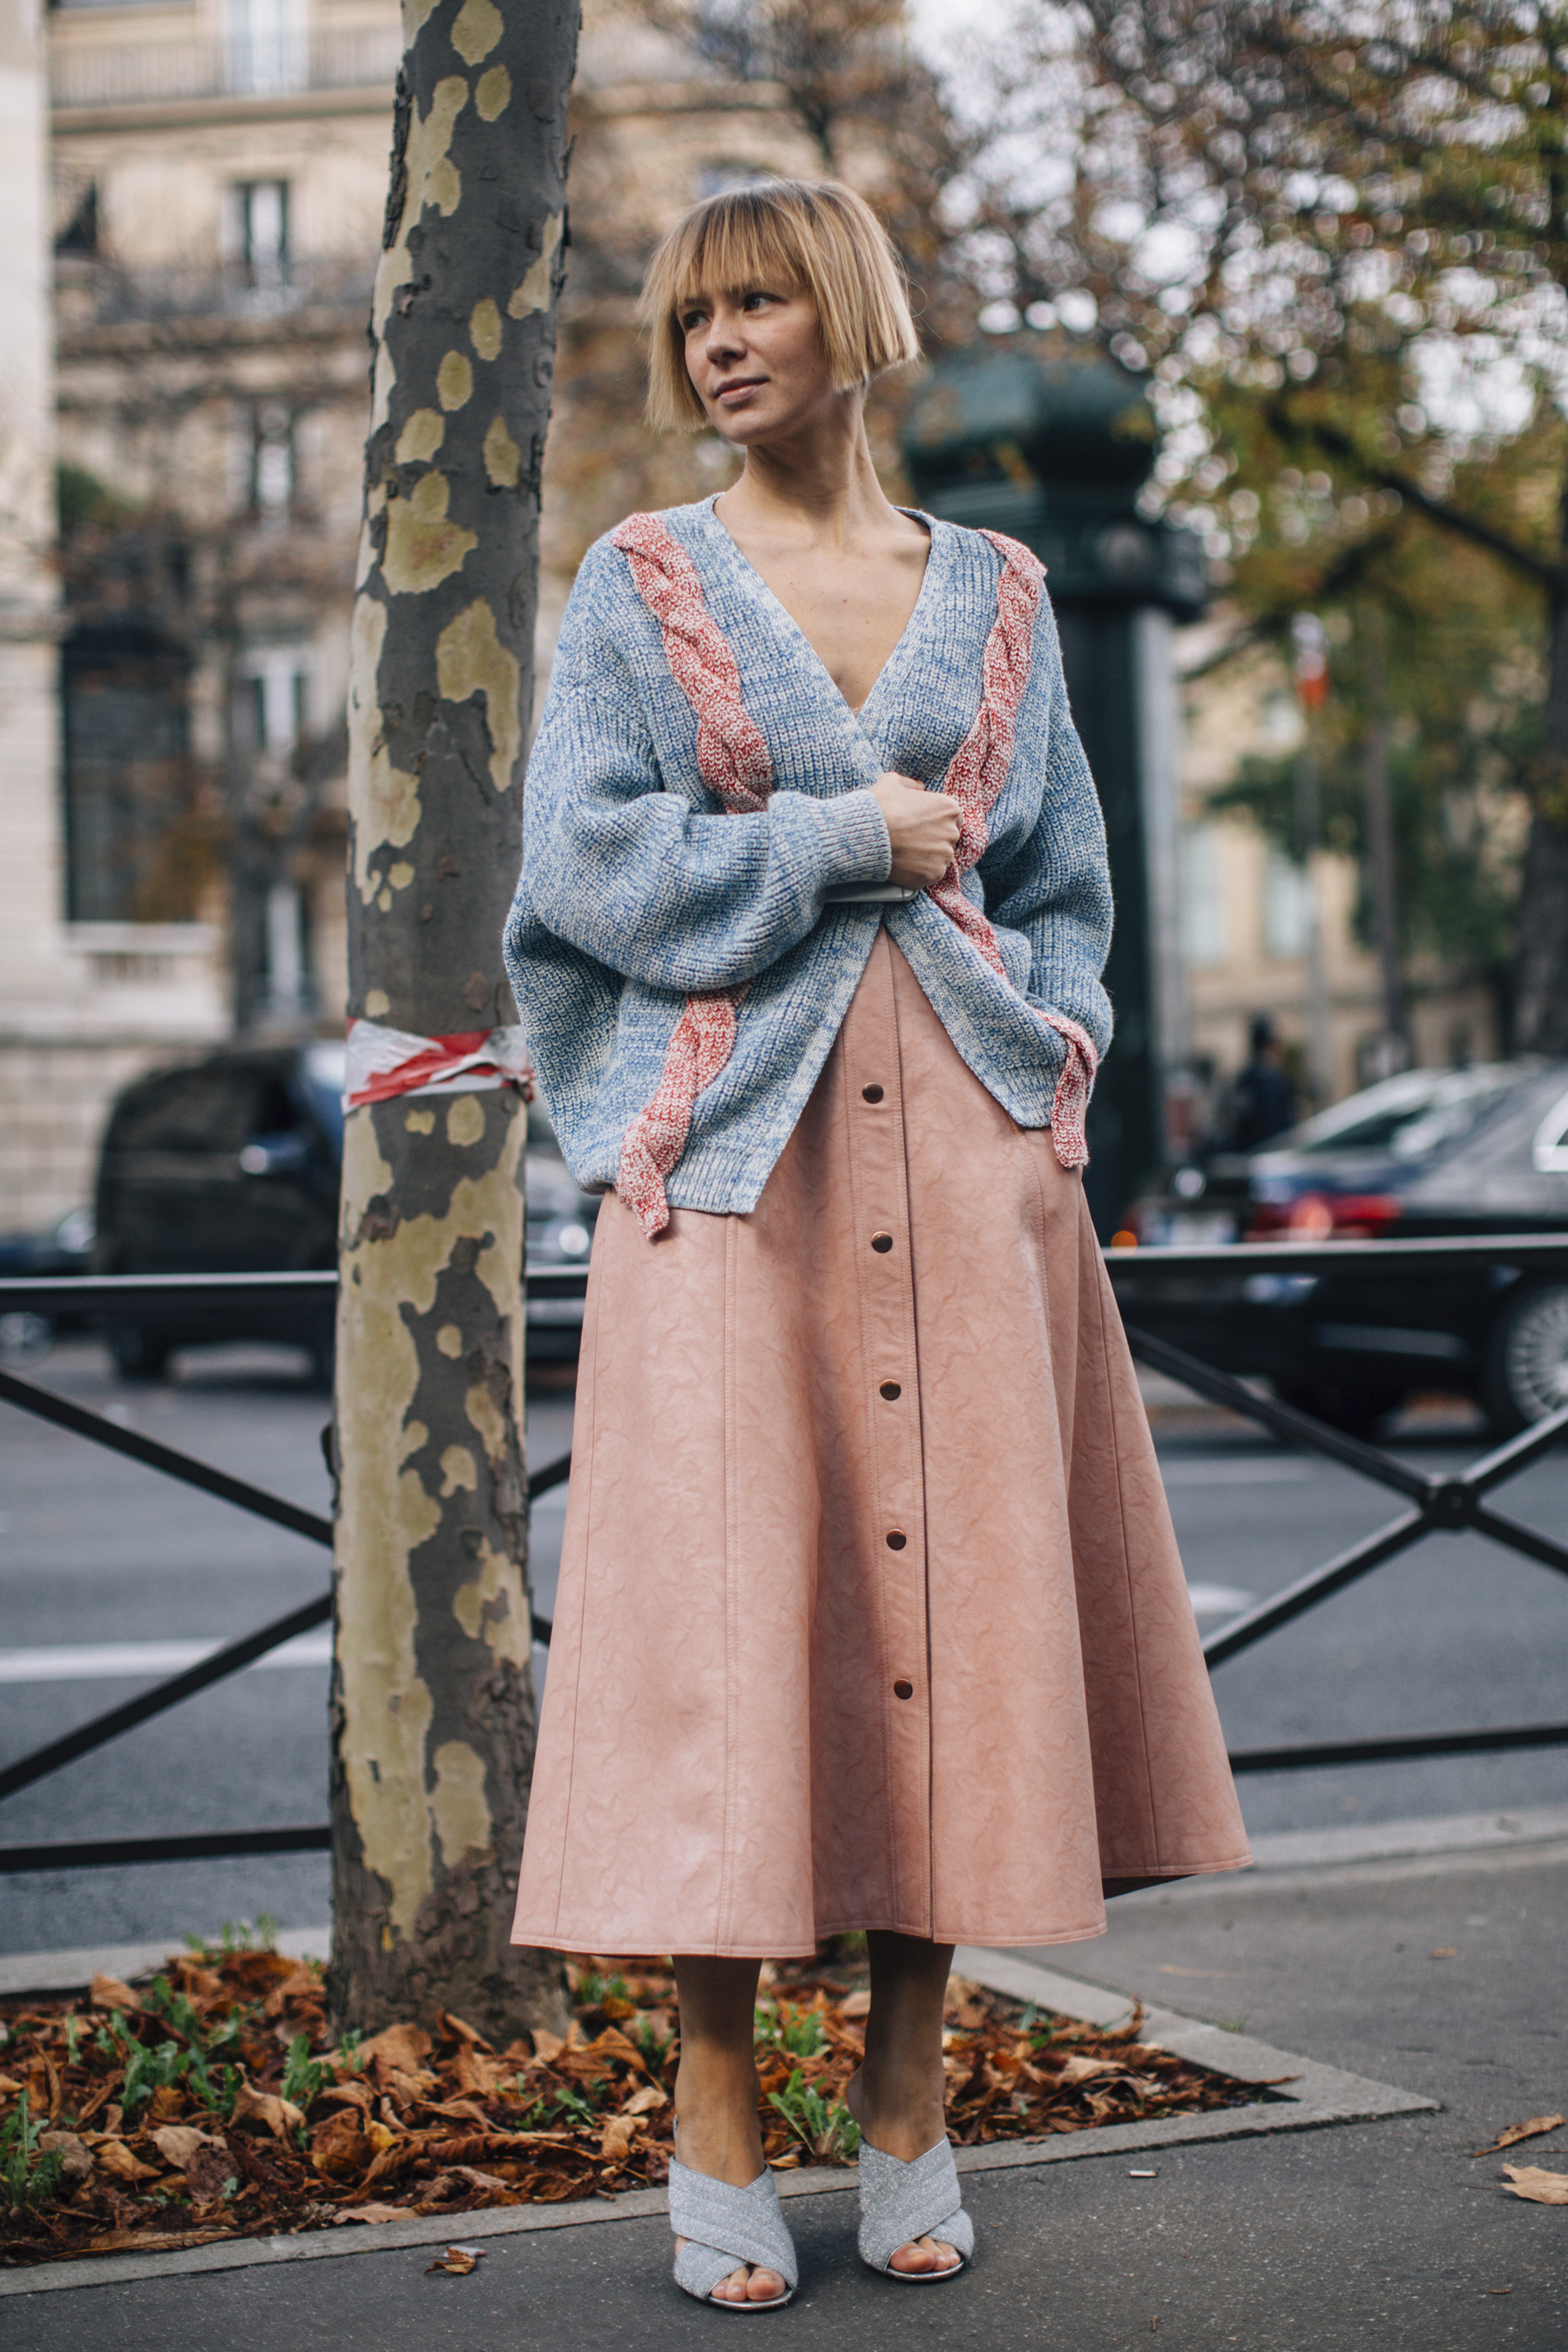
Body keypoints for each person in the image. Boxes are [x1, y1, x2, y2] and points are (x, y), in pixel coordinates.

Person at [504, 179, 1249, 2311]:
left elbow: (1067, 882)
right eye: (694, 316)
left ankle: (909, 2088)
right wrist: (844, 836)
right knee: (730, 1638)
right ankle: (714, 2100)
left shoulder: (999, 593)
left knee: (958, 1635)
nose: (720, 343)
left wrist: (1053, 1072)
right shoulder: (640, 581)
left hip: (976, 1170)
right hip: (739, 1181)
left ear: (850, 314)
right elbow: (583, 871)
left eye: (758, 302)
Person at [1228, 1015, 1297, 1152]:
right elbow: (1243, 1119)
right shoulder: (1249, 1079)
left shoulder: (1279, 1078)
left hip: (1279, 1148)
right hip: (1257, 1150)